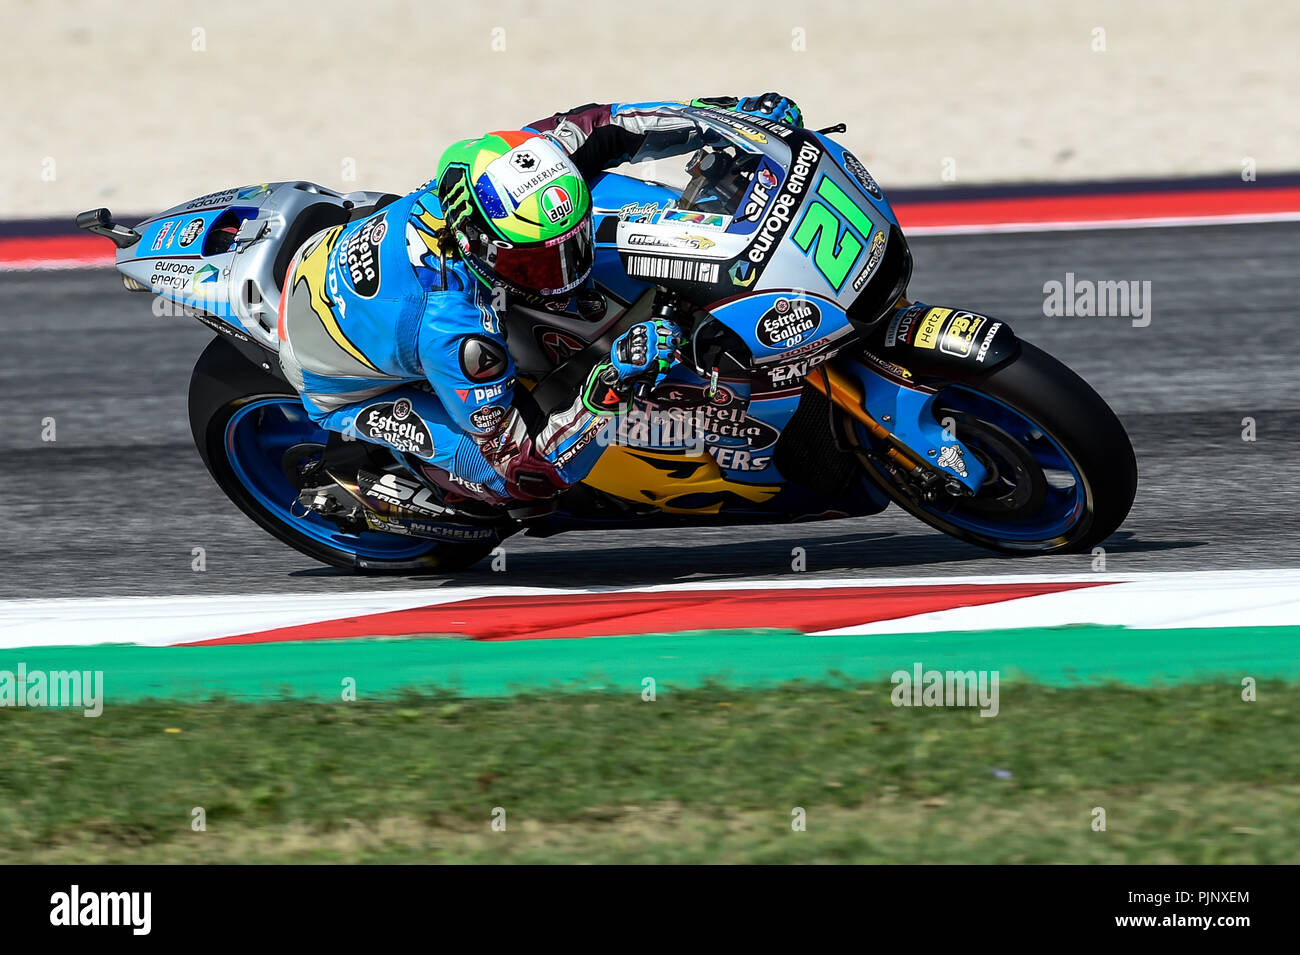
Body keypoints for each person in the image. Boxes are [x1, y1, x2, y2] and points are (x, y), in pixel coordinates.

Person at [276, 93, 801, 507]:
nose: (565, 273)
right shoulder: (454, 330)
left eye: (570, 248)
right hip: (341, 380)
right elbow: (518, 461)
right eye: (534, 264)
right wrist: (611, 384)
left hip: (372, 266)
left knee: (636, 211)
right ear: (479, 245)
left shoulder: (511, 167)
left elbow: (607, 124)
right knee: (505, 483)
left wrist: (722, 119)